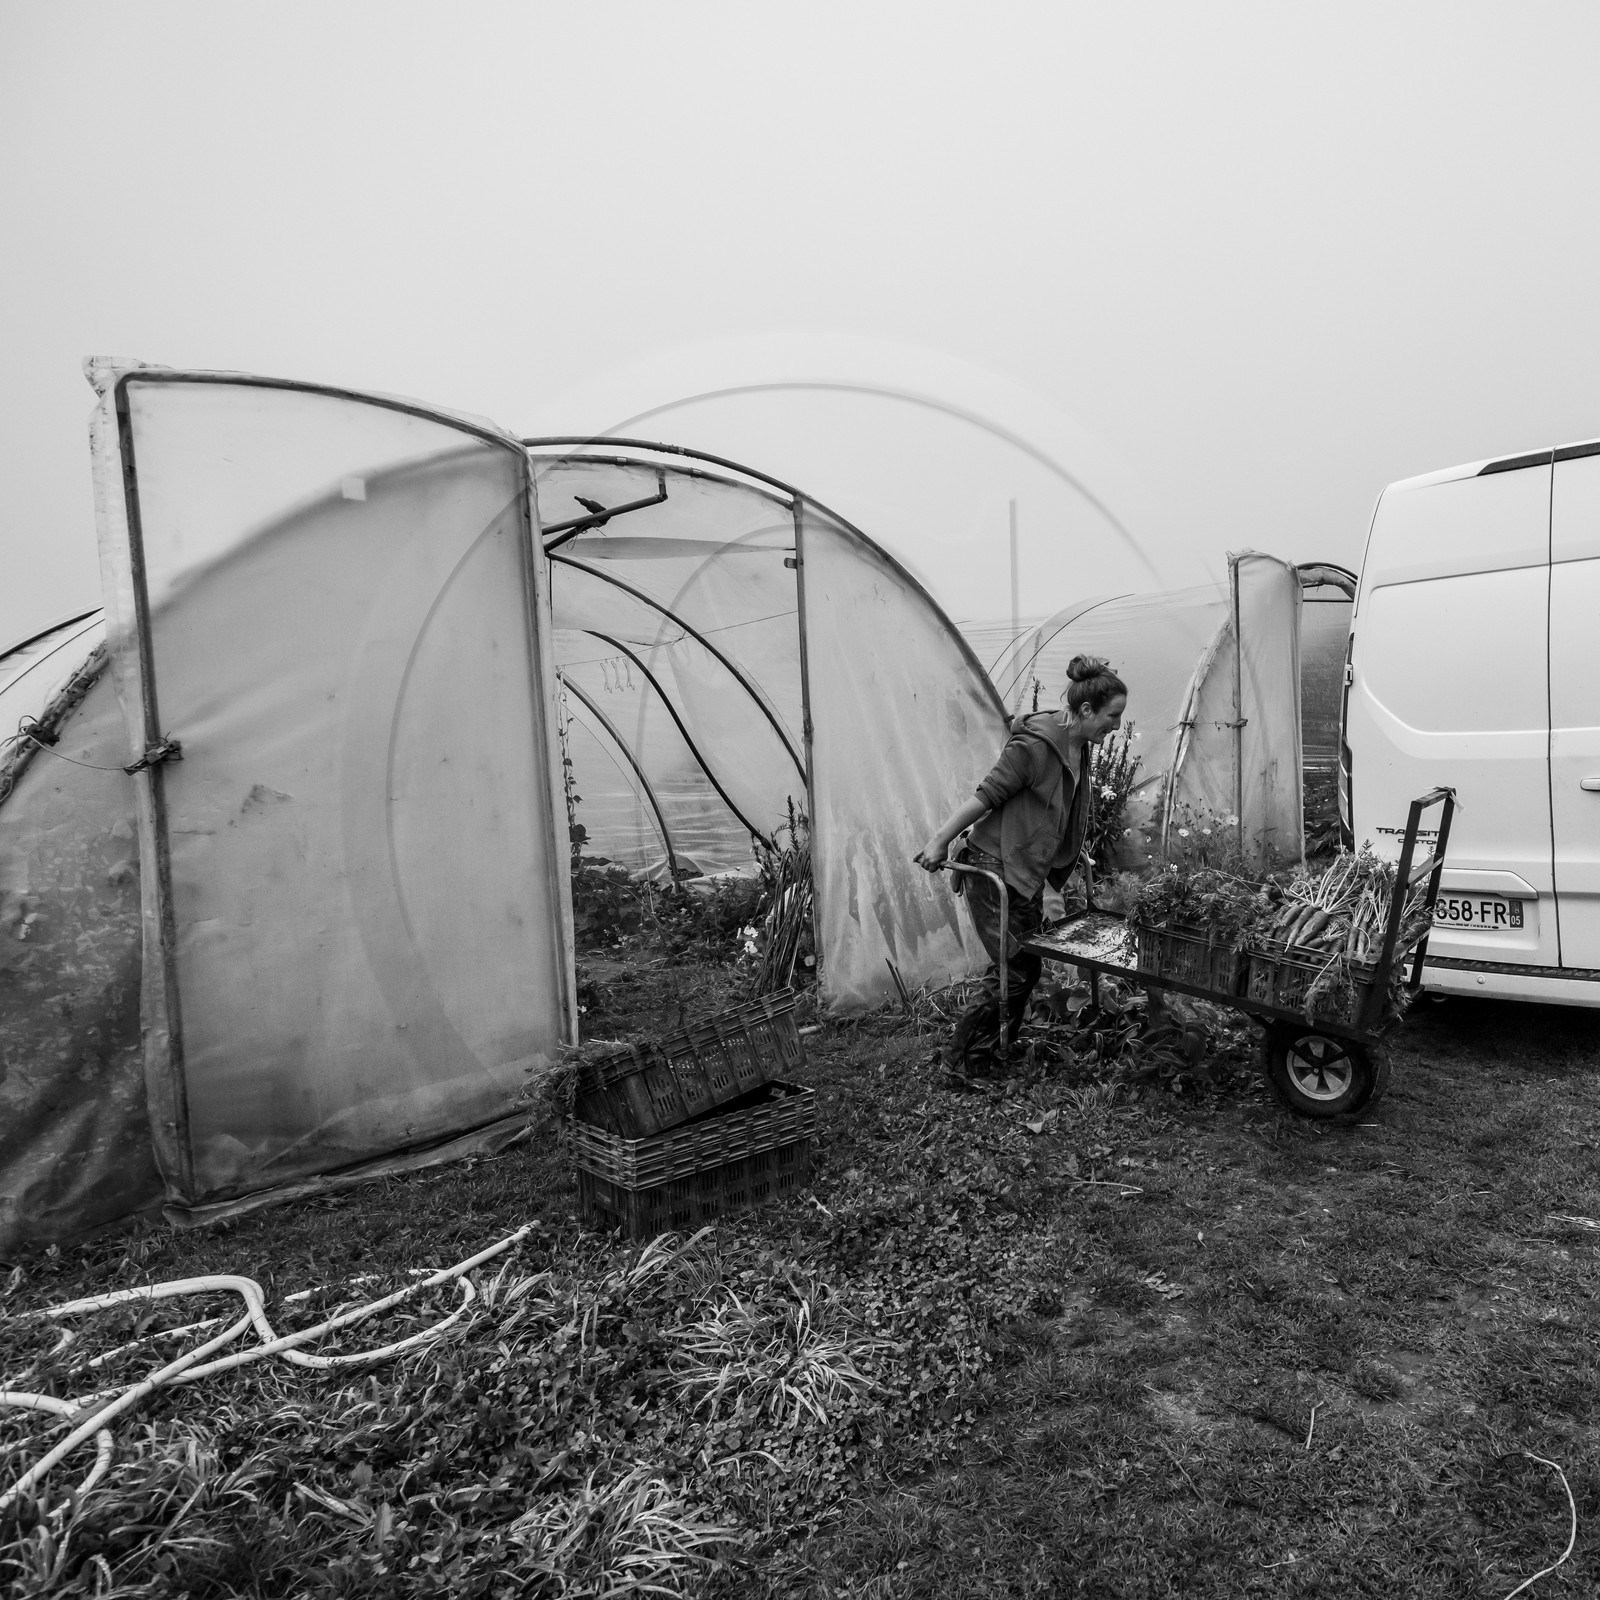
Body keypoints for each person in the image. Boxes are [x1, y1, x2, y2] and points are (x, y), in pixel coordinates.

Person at [914, 655, 1128, 1078]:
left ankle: (985, 1052)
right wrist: (939, 841)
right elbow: (987, 795)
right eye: (1113, 716)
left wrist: (1052, 884)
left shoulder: (1079, 746)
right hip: (993, 866)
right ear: (1086, 711)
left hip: (1025, 870)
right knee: (1016, 970)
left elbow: (1058, 817)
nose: (1117, 726)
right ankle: (960, 1058)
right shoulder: (1034, 746)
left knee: (1021, 969)